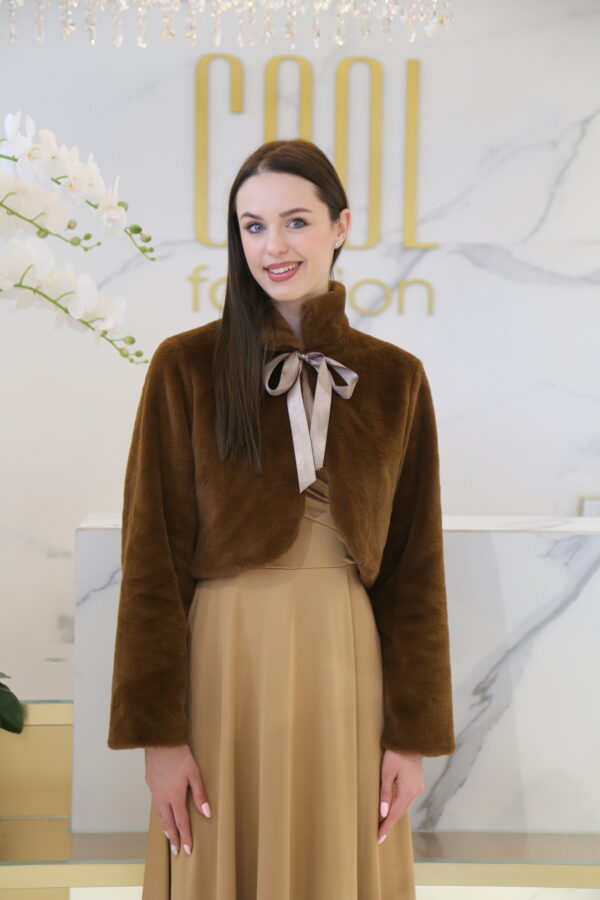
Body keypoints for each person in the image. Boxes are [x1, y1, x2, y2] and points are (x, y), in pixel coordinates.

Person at [107, 138, 456, 900]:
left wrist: (412, 739)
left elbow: (416, 573)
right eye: (253, 226)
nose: (274, 246)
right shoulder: (184, 367)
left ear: (340, 226)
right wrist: (158, 739)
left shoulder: (396, 379)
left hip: (347, 672)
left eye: (296, 221)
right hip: (222, 671)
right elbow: (150, 563)